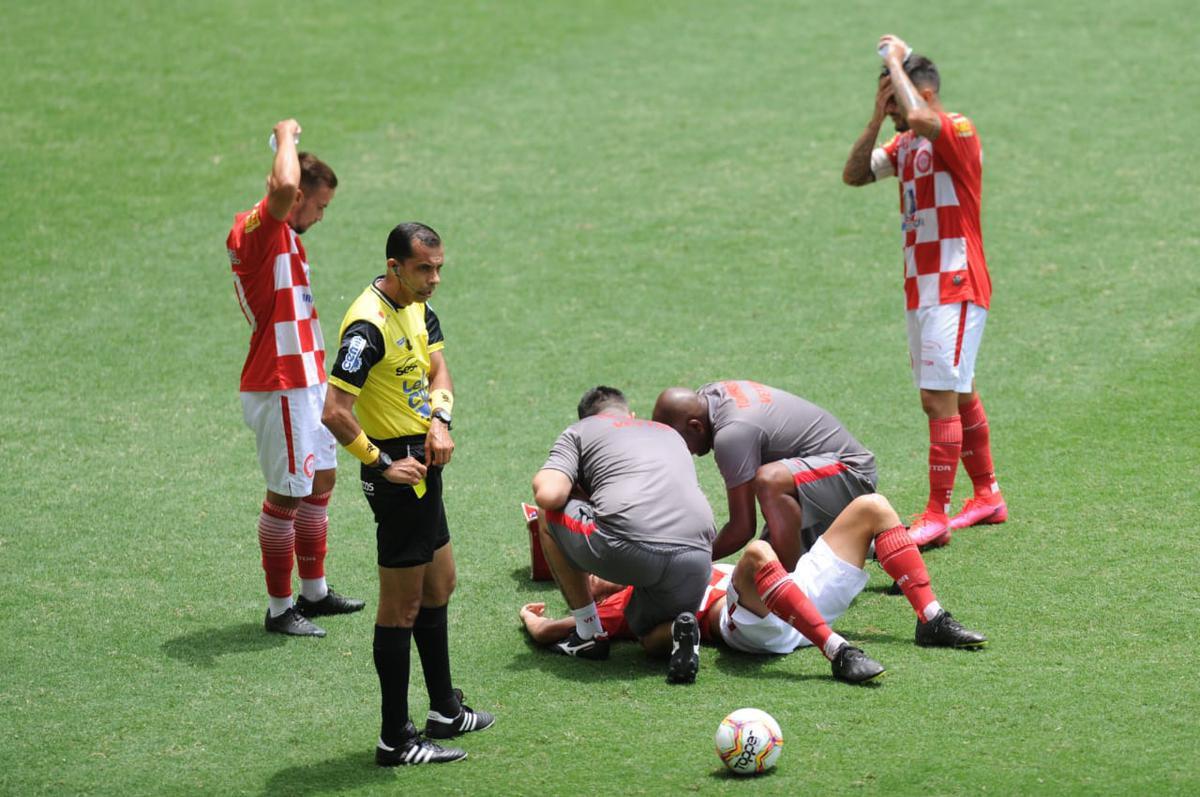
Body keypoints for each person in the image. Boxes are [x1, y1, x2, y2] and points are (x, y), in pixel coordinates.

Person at [322, 223, 493, 767]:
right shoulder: (366, 328)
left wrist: (440, 418)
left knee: (441, 582)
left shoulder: (418, 306)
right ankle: (395, 738)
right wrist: (379, 462)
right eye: (424, 268)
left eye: (439, 267)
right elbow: (333, 411)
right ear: (394, 266)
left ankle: (443, 707)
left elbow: (437, 363)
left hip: (425, 456)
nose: (434, 278)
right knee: (402, 606)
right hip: (399, 472)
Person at [521, 494, 987, 685]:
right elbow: (554, 630)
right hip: (753, 628)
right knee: (756, 555)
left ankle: (931, 619)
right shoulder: (633, 598)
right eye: (595, 579)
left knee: (873, 507)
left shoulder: (669, 561)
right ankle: (839, 652)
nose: (601, 577)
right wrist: (534, 620)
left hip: (794, 599)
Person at [841, 35, 1007, 547]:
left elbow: (919, 119)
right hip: (923, 288)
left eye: (893, 98)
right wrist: (873, 120)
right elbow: (853, 175)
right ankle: (988, 496)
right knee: (958, 391)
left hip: (955, 284)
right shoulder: (905, 143)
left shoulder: (954, 128)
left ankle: (937, 513)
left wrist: (894, 60)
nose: (892, 110)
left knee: (937, 398)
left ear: (919, 91)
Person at [225, 119, 363, 638]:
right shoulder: (257, 230)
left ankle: (314, 593)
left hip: (305, 383)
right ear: (298, 195)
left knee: (320, 481)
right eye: (320, 206)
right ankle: (280, 608)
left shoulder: (286, 237)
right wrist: (286, 135)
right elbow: (281, 186)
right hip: (280, 384)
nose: (321, 217)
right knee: (285, 494)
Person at [531, 386, 717, 684]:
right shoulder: (668, 433)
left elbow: (550, 495)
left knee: (546, 512)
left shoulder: (579, 432)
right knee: (648, 635)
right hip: (697, 552)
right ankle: (677, 631)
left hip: (628, 545)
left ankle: (588, 633)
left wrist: (556, 480)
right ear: (630, 415)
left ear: (587, 418)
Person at [652, 381, 876, 571]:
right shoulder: (710, 395)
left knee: (770, 481)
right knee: (760, 570)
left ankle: (792, 585)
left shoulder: (732, 433)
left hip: (853, 474)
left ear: (696, 426)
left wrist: (683, 564)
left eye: (678, 443)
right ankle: (899, 543)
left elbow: (742, 528)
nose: (682, 452)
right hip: (812, 482)